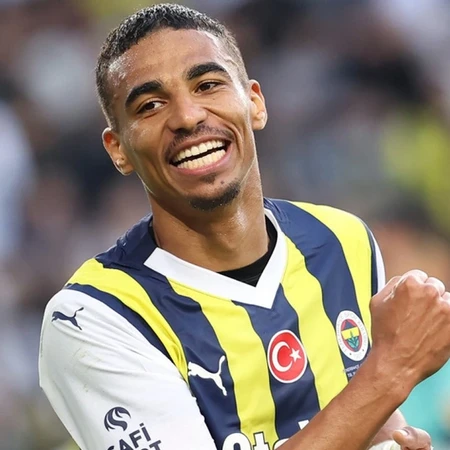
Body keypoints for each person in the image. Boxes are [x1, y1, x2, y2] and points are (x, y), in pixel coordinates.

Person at [39, 4, 450, 450]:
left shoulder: (342, 241)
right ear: (117, 149)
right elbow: (376, 388)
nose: (188, 116)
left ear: (254, 102)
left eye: (207, 85)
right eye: (150, 105)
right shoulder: (96, 316)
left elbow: (368, 419)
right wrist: (392, 370)